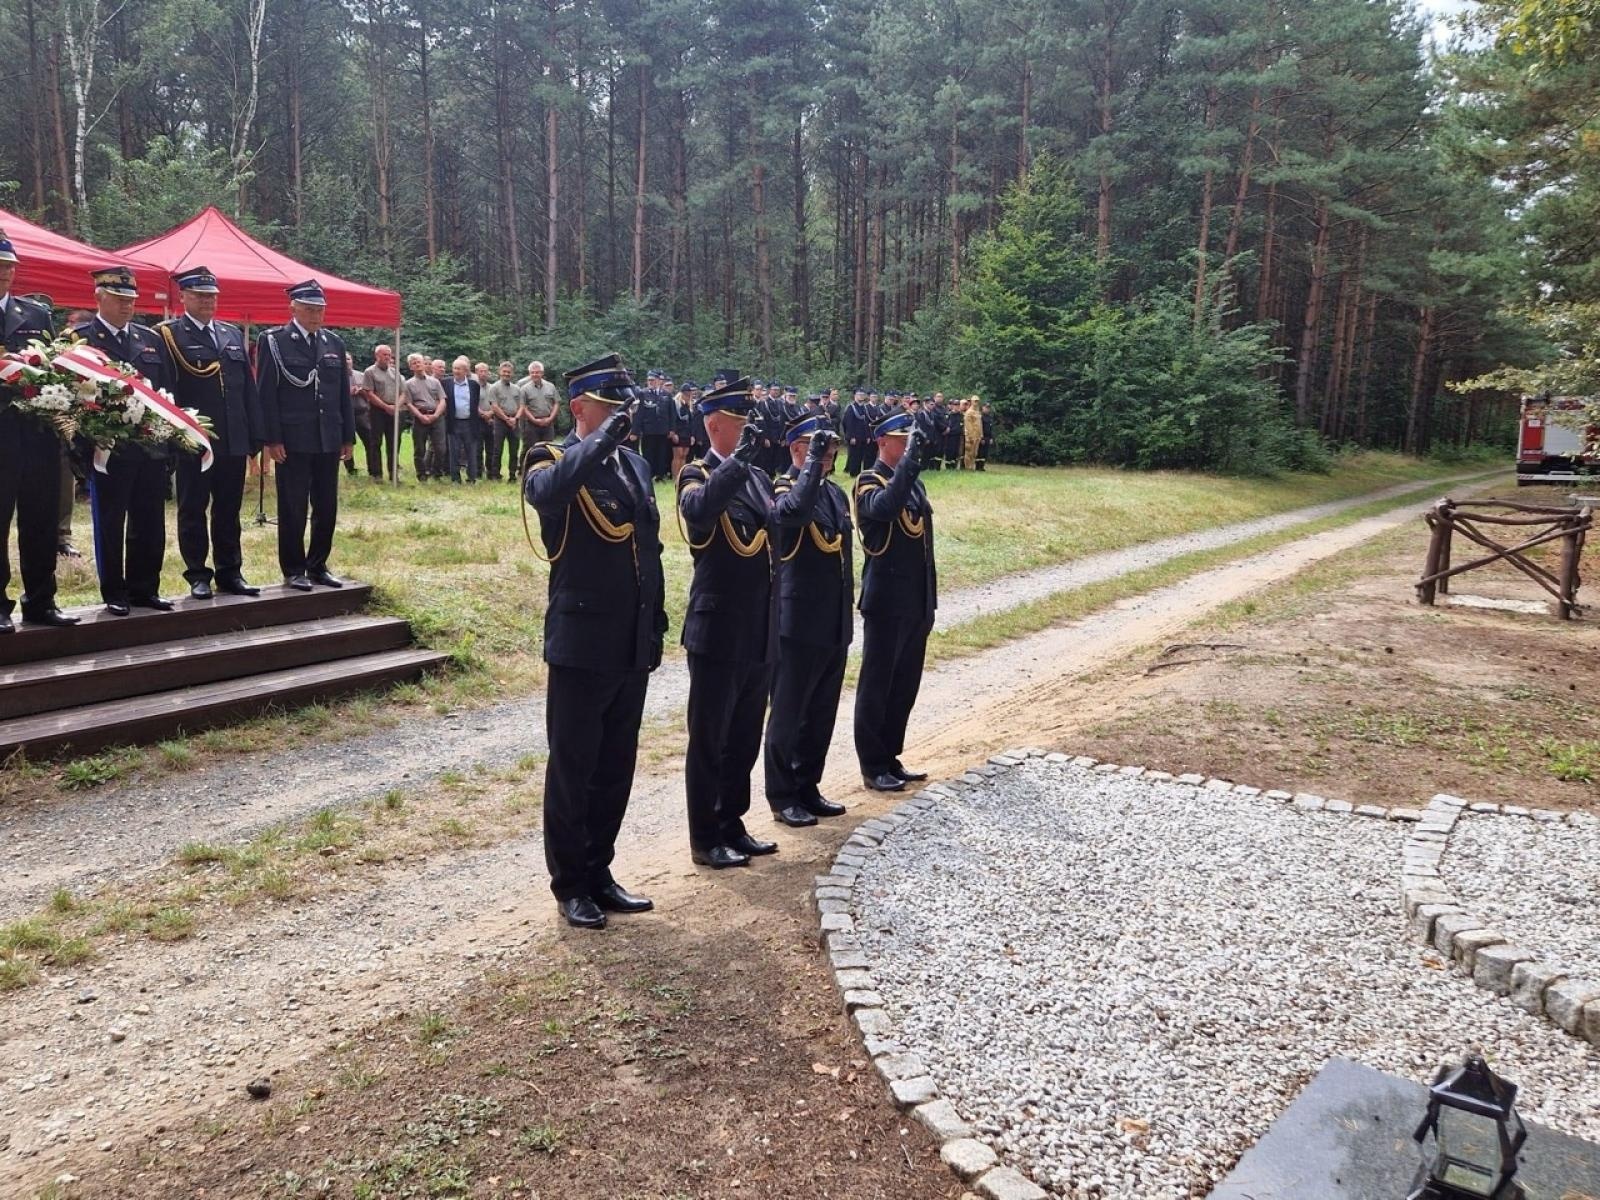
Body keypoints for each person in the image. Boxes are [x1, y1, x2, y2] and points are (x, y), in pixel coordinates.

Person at [523, 353, 665, 930]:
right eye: (609, 408)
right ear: (580, 408)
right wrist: (601, 437)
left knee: (615, 765)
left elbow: (648, 552)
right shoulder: (549, 457)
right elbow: (549, 493)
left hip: (630, 636)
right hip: (582, 638)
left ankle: (600, 870)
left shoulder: (633, 465)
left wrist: (654, 621)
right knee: (574, 766)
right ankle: (570, 883)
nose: (620, 418)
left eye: (621, 410)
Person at [676, 373, 780, 870]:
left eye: (746, 425)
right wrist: (737, 463)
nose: (743, 433)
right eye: (737, 424)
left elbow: (780, 525)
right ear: (715, 425)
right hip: (717, 628)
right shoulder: (695, 474)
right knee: (710, 738)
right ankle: (705, 835)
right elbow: (699, 510)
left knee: (743, 735)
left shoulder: (758, 478)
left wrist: (809, 477)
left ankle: (733, 821)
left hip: (757, 623)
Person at [73, 265, 177, 617]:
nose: (126, 306)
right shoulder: (81, 338)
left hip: (149, 446)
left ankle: (145, 587)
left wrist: (169, 441)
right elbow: (73, 398)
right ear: (99, 297)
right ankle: (114, 590)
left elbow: (166, 394)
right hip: (108, 449)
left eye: (131, 299)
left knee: (150, 520)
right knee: (111, 521)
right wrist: (80, 447)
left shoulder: (149, 339)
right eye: (118, 299)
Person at [765, 414, 852, 827]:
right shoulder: (783, 488)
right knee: (788, 712)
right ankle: (783, 796)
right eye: (820, 448)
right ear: (797, 449)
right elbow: (793, 515)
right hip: (797, 620)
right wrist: (809, 470)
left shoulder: (835, 495)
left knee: (820, 711)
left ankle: (808, 785)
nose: (830, 455)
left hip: (831, 617)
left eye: (832, 449)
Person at [158, 265, 264, 599]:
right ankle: (198, 574)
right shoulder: (169, 335)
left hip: (232, 437)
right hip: (195, 439)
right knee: (193, 507)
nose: (207, 301)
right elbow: (165, 389)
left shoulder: (231, 334)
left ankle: (230, 571)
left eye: (212, 296)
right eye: (200, 295)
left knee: (228, 509)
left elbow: (247, 386)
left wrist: (254, 433)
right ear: (184, 296)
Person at [853, 410, 937, 792]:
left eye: (911, 441)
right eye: (902, 441)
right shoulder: (868, 482)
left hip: (915, 598)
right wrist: (909, 466)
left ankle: (891, 755)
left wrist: (928, 599)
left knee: (904, 683)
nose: (908, 447)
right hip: (886, 600)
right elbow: (885, 509)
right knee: (878, 684)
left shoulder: (912, 483)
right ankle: (872, 764)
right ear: (882, 442)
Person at [0, 230, 77, 632]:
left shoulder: (35, 314)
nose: (5, 274)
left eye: (10, 267)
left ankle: (41, 600)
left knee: (42, 520)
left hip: (37, 434)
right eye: (0, 267)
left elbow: (54, 367)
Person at [255, 279, 354, 591]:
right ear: (293, 308)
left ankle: (318, 564)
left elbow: (342, 395)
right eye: (309, 308)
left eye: (320, 309)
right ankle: (294, 568)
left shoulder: (333, 343)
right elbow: (267, 394)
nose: (316, 314)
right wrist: (272, 439)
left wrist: (347, 435)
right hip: (293, 439)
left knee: (326, 506)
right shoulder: (273, 341)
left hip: (327, 436)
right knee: (293, 506)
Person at [360, 344, 400, 480]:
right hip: (377, 410)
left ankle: (393, 474)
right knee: (375, 442)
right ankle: (377, 474)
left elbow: (403, 392)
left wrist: (396, 406)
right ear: (377, 356)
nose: (388, 358)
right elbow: (369, 393)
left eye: (389, 355)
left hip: (394, 409)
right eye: (385, 355)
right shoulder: (370, 372)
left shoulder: (395, 372)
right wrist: (385, 406)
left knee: (394, 442)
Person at [404, 352, 446, 480]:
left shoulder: (435, 382)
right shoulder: (408, 384)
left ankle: (436, 472)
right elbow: (409, 404)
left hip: (436, 417)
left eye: (419, 362)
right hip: (419, 418)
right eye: (414, 363)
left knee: (440, 448)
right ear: (410, 367)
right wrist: (420, 416)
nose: (417, 364)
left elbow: (442, 400)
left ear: (424, 364)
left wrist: (436, 415)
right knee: (419, 449)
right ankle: (421, 474)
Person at [443, 355, 481, 484]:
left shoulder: (474, 385)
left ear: (466, 371)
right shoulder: (446, 383)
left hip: (470, 423)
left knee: (471, 452)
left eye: (459, 368)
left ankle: (472, 478)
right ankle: (455, 478)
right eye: (454, 368)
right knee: (454, 452)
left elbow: (475, 405)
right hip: (454, 423)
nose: (456, 371)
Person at [482, 360, 521, 482]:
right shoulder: (494, 388)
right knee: (497, 449)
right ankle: (495, 474)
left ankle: (512, 475)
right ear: (500, 372)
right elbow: (494, 406)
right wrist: (506, 418)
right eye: (504, 371)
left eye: (509, 372)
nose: (506, 374)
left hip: (515, 421)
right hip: (500, 422)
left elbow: (522, 406)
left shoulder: (517, 388)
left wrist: (515, 418)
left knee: (514, 450)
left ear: (512, 373)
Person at [517, 360, 560, 460]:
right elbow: (523, 407)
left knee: (549, 448)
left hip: (548, 423)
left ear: (542, 373)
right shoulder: (524, 389)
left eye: (537, 372)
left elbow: (556, 403)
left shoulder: (551, 386)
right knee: (531, 450)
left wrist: (550, 419)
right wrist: (534, 420)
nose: (535, 374)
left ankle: (547, 469)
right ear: (529, 373)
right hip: (532, 424)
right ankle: (525, 470)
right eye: (532, 372)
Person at [635, 368, 672, 482]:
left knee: (661, 454)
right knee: (648, 454)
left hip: (662, 430)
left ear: (658, 381)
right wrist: (635, 431)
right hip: (648, 430)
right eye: (649, 380)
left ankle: (660, 476)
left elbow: (671, 413)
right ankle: (649, 475)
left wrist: (672, 429)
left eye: (652, 380)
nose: (650, 382)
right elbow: (639, 414)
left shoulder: (666, 394)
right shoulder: (643, 393)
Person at [842, 388, 870, 477]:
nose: (861, 396)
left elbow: (866, 423)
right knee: (854, 456)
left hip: (863, 436)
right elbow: (848, 423)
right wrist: (851, 436)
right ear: (855, 396)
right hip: (854, 437)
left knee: (861, 455)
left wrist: (868, 436)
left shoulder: (864, 407)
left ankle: (859, 472)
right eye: (859, 395)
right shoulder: (851, 408)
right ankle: (854, 473)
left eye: (862, 395)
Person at [963, 394, 984, 471]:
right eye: (975, 401)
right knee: (969, 452)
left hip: (977, 436)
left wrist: (981, 434)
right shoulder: (969, 412)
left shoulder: (977, 412)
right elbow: (968, 425)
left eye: (977, 401)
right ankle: (968, 468)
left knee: (975, 453)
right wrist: (970, 436)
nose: (976, 403)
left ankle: (972, 466)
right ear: (971, 402)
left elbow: (980, 424)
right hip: (971, 436)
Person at [979, 402, 994, 470]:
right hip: (982, 436)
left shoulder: (990, 417)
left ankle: (982, 466)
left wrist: (991, 438)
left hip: (988, 437)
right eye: (986, 407)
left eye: (988, 408)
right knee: (980, 452)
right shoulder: (980, 416)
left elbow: (991, 429)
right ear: (982, 408)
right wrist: (981, 438)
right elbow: (979, 428)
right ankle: (978, 466)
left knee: (985, 453)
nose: (987, 409)